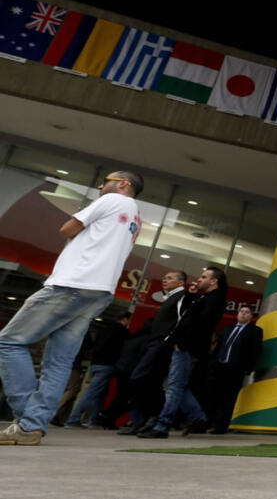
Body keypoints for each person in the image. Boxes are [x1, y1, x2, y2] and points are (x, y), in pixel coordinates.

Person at [0, 170, 143, 446]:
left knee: (8, 342)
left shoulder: (111, 200)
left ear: (124, 184)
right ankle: (32, 425)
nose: (101, 185)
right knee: (60, 362)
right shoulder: (136, 216)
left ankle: (28, 421)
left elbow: (67, 228)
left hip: (72, 283)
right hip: (99, 291)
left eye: (107, 180)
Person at [138, 266, 228, 438]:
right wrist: (192, 295)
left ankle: (162, 426)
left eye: (203, 277)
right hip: (186, 346)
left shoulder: (215, 299)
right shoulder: (204, 298)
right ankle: (198, 418)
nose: (199, 279)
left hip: (188, 347)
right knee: (180, 386)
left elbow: (202, 325)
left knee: (174, 386)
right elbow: (188, 317)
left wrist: (182, 342)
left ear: (213, 281)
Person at [118, 269, 191, 434]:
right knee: (151, 381)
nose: (165, 280)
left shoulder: (182, 297)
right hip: (155, 343)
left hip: (162, 343)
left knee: (140, 377)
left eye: (170, 278)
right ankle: (142, 421)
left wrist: (171, 340)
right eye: (164, 277)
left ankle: (152, 416)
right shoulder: (170, 298)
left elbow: (183, 320)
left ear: (181, 282)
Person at [200, 305, 263, 435]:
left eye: (247, 312)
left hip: (235, 369)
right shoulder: (227, 329)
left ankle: (220, 426)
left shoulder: (255, 331)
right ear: (237, 314)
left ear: (251, 316)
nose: (243, 314)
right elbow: (218, 347)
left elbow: (255, 351)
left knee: (227, 399)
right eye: (241, 311)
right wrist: (212, 363)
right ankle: (205, 423)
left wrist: (247, 368)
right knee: (211, 396)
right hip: (218, 367)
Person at [64, 311, 131, 427]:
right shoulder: (122, 332)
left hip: (95, 364)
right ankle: (73, 419)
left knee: (101, 394)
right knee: (92, 392)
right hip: (108, 365)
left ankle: (95, 420)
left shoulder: (105, 329)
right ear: (125, 319)